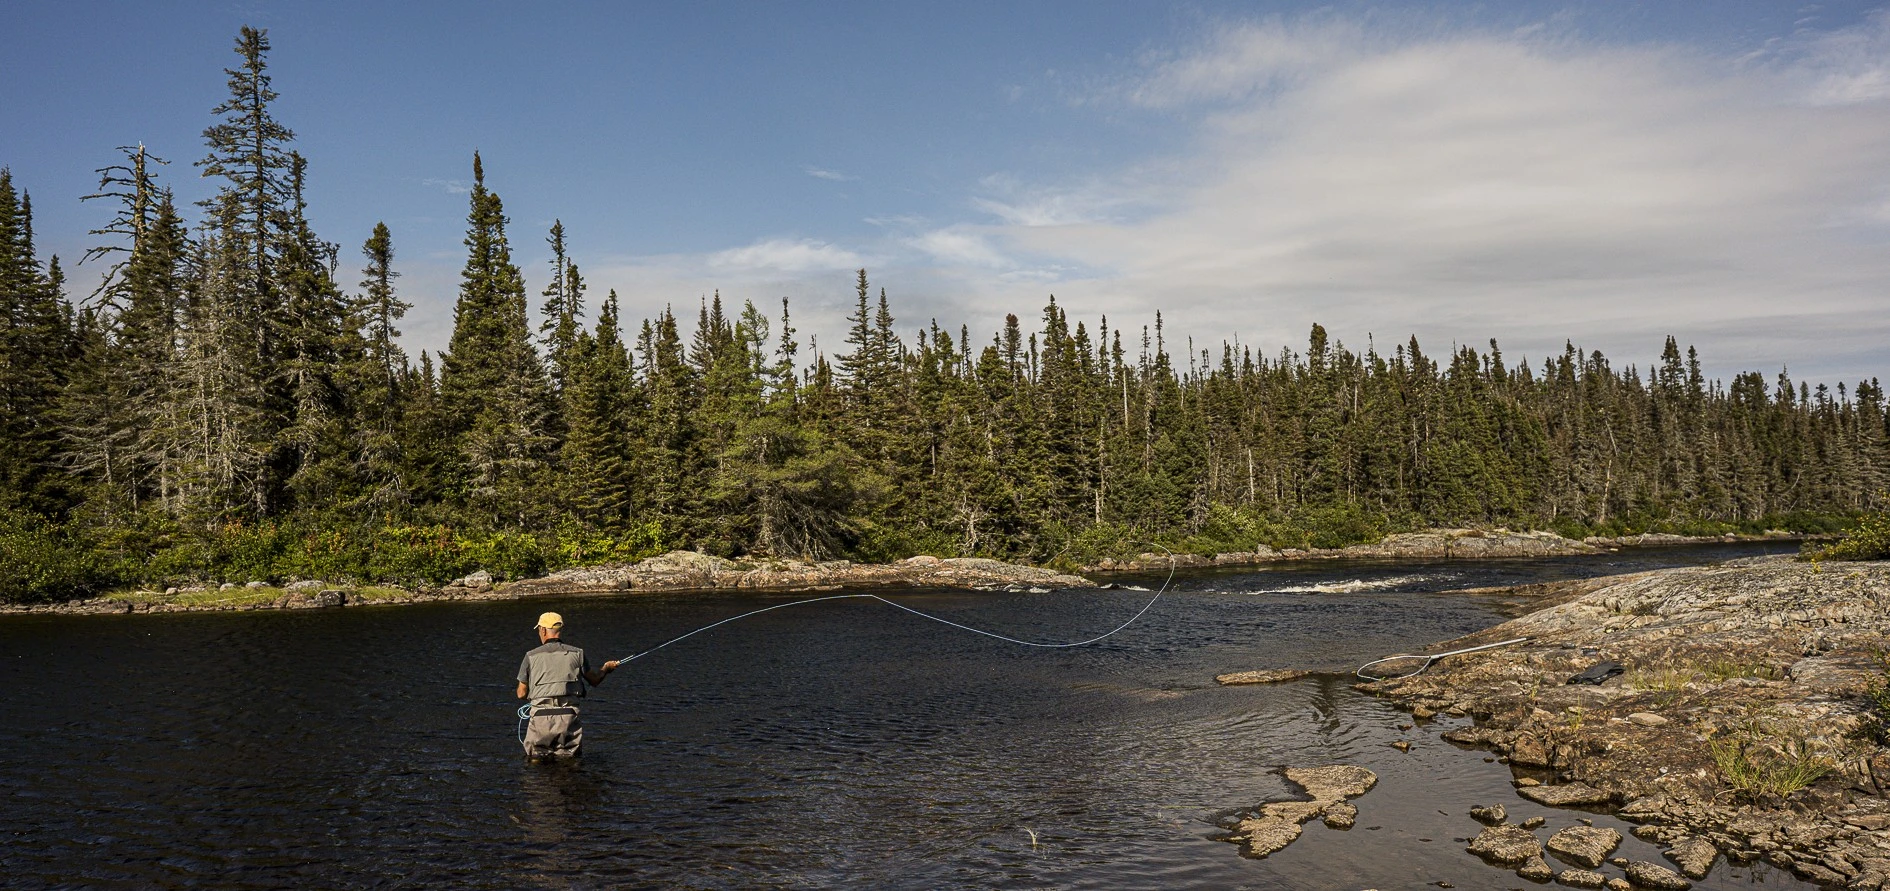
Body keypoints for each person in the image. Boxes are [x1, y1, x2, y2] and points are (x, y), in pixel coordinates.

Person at [516, 612, 620, 759]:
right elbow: (595, 680)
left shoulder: (530, 656)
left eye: (539, 629)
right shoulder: (577, 653)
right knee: (570, 762)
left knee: (536, 762)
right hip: (569, 718)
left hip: (540, 719)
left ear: (543, 630)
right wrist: (606, 669)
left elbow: (521, 693)